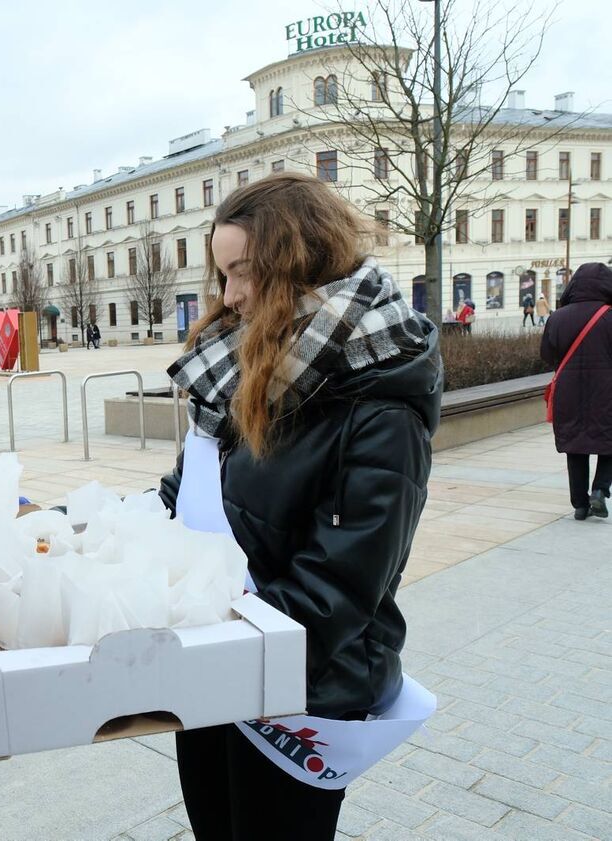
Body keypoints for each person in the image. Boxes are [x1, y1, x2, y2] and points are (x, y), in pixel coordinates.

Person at [159, 173, 440, 840]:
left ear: (299, 258)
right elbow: (184, 493)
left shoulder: (379, 394)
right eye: (221, 274)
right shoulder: (244, 363)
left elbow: (342, 581)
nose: (228, 297)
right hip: (216, 665)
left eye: (243, 272)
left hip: (300, 691)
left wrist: (228, 651)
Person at [540, 262, 612, 520]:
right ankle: (600, 491)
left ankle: (580, 505)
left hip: (569, 391)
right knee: (608, 442)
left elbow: (547, 355)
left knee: (575, 445)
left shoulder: (557, 317)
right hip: (606, 390)